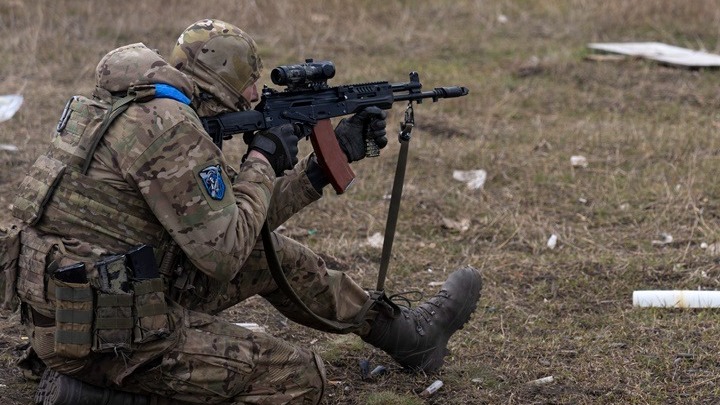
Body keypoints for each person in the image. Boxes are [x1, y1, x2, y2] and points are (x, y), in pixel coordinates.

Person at [12, 19, 482, 405]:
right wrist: (260, 159)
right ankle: (93, 394)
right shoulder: (170, 131)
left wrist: (319, 170)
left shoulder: (129, 106)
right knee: (299, 379)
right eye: (248, 83)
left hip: (81, 313)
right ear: (219, 87)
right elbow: (224, 253)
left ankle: (410, 338)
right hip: (109, 334)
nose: (256, 94)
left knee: (277, 257)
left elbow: (224, 224)